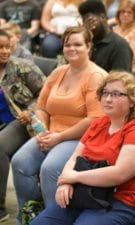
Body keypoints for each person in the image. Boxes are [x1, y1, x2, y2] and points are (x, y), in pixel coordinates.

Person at [30, 71, 135, 225]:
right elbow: (74, 158)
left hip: (129, 202)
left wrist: (75, 177)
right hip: (90, 194)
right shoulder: (99, 124)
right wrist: (66, 182)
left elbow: (119, 174)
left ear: (133, 101)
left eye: (116, 94)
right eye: (105, 93)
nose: (107, 99)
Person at [11, 26, 107, 225]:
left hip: (80, 138)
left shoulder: (95, 76)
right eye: (67, 45)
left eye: (78, 44)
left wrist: (59, 137)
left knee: (49, 168)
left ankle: (53, 219)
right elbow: (42, 108)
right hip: (51, 133)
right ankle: (29, 215)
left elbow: (94, 119)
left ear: (89, 47)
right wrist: (43, 131)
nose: (72, 49)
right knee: (20, 162)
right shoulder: (58, 72)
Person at [0, 29, 45, 223]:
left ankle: (0, 207)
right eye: (0, 47)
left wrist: (31, 110)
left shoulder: (23, 67)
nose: (4, 51)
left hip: (19, 122)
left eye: (7, 47)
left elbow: (45, 93)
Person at [79, 0, 133, 72]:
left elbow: (121, 80)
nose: (88, 26)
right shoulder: (84, 44)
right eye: (85, 22)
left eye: (90, 21)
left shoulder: (119, 46)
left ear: (103, 17)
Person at [113, 0, 135, 71]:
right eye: (123, 12)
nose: (125, 14)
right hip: (112, 67)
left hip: (129, 70)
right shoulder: (113, 30)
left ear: (134, 15)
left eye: (129, 12)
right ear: (118, 14)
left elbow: (132, 57)